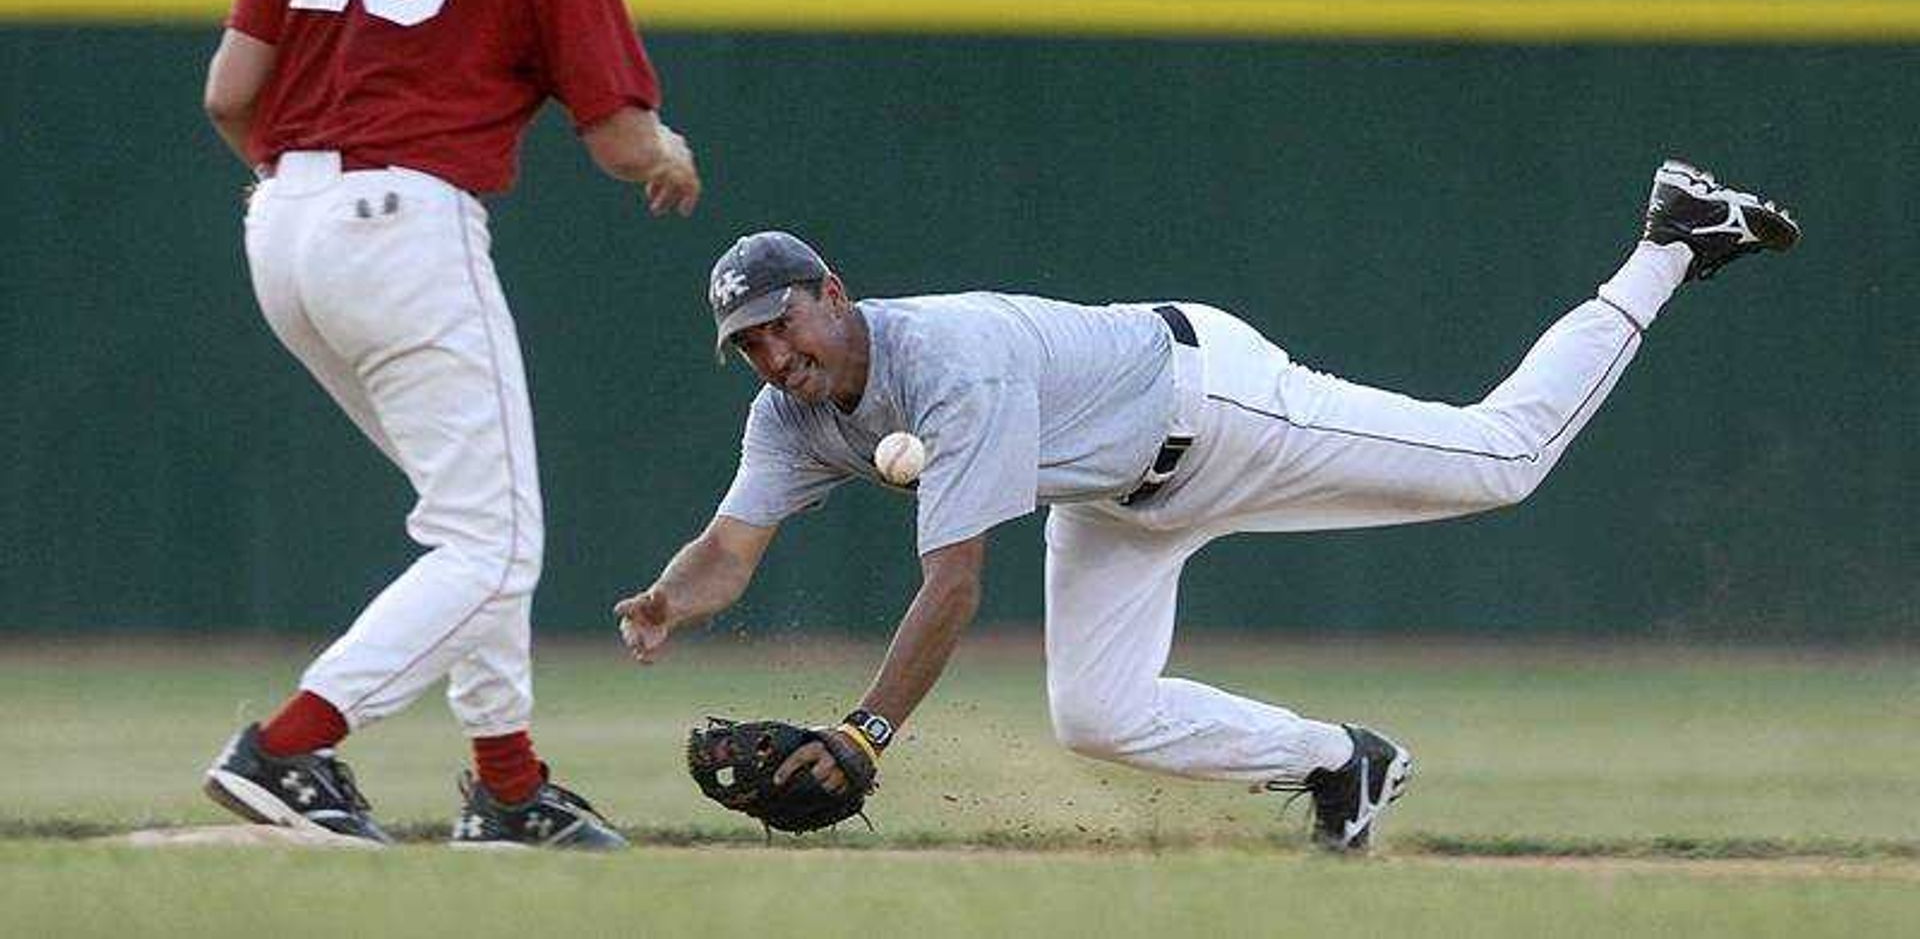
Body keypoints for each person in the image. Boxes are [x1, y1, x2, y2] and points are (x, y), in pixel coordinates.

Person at [614, 159, 1796, 851]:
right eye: (748, 340)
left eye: (780, 321)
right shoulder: (795, 410)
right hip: (1110, 489)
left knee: (1501, 458)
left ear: (832, 291)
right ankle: (1346, 763)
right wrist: (674, 594)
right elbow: (732, 544)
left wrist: (867, 731)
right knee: (1098, 713)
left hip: (1214, 406)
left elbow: (956, 583)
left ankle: (1672, 241)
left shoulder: (950, 362)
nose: (770, 352)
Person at [200, 0, 701, 849]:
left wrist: (297, 183)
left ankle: (510, 785)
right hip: (404, 226)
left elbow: (230, 93)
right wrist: (668, 152)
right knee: (496, 535)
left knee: (475, 522)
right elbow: (620, 137)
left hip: (282, 223)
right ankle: (288, 745)